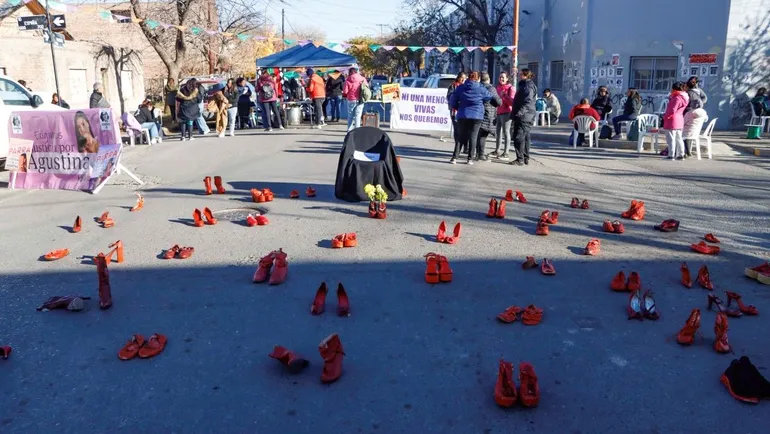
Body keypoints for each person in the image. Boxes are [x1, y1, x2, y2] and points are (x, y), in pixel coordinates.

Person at [449, 71, 492, 165]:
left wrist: (457, 107)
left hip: (463, 114)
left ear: (468, 77)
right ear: (478, 78)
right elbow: (489, 96)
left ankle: (454, 157)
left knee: (460, 136)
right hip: (476, 115)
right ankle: (470, 158)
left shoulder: (461, 87)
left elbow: (453, 99)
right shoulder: (480, 88)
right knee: (473, 136)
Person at [509, 69, 538, 166]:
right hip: (525, 115)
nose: (519, 75)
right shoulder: (525, 85)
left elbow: (528, 102)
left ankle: (520, 158)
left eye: (520, 74)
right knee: (525, 137)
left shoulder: (528, 86)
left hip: (525, 116)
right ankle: (525, 157)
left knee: (519, 137)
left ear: (525, 75)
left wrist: (520, 112)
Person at [477, 72, 502, 162]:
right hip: (487, 113)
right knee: (483, 135)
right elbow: (498, 101)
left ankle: (477, 153)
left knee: (479, 134)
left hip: (477, 112)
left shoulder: (478, 87)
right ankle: (481, 154)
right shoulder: (490, 88)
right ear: (489, 79)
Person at [662, 81, 690, 160]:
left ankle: (671, 155)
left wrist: (665, 117)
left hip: (672, 120)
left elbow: (672, 110)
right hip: (680, 119)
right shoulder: (685, 97)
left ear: (674, 89)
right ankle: (681, 154)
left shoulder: (677, 98)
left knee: (671, 139)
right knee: (679, 138)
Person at [682, 76, 709, 157]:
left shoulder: (697, 91)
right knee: (689, 131)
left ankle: (686, 150)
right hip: (689, 111)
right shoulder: (687, 90)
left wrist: (700, 103)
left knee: (687, 131)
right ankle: (686, 150)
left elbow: (704, 98)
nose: (693, 83)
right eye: (691, 81)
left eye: (694, 82)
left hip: (690, 111)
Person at [491, 71, 514, 160]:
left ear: (507, 78)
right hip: (499, 112)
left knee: (506, 132)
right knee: (498, 132)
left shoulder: (511, 88)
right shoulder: (497, 87)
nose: (501, 79)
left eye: (503, 77)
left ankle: (506, 153)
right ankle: (497, 150)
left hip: (507, 113)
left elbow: (512, 102)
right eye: (500, 77)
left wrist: (505, 96)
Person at [447, 72, 467, 153]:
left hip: (465, 111)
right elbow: (449, 97)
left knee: (465, 130)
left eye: (464, 78)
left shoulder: (467, 86)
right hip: (455, 111)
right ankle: (457, 147)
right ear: (458, 78)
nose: (463, 79)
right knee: (457, 129)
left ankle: (466, 147)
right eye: (461, 78)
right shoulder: (453, 86)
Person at [342, 66, 367, 132]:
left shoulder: (348, 80)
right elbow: (367, 87)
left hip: (351, 99)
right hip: (360, 99)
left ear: (350, 73)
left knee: (350, 115)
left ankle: (349, 130)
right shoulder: (362, 79)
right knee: (358, 116)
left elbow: (345, 91)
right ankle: (357, 131)